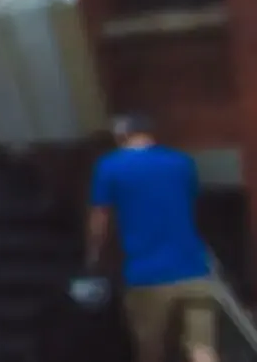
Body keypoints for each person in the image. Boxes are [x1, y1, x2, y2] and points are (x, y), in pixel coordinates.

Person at [89, 114, 237, 362]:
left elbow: (100, 218)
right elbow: (191, 202)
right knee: (202, 348)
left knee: (151, 352)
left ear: (120, 135)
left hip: (146, 276)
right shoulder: (182, 162)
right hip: (195, 271)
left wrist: (94, 255)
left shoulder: (110, 166)